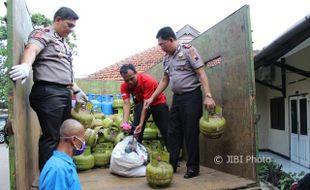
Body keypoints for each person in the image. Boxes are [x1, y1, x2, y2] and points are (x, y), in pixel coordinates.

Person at [9, 7, 87, 171]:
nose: (71, 30)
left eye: (73, 26)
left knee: (62, 136)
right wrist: (25, 65)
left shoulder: (63, 43)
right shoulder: (45, 33)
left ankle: (59, 171)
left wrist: (77, 90)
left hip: (62, 93)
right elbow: (32, 48)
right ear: (58, 20)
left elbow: (63, 73)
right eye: (69, 25)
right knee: (51, 137)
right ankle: (47, 179)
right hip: (48, 92)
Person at [144, 26, 216, 179]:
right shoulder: (166, 59)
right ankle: (173, 163)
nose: (160, 47)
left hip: (192, 96)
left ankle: (193, 168)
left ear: (171, 40)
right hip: (177, 98)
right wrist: (152, 97)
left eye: (162, 44)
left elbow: (201, 72)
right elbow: (164, 80)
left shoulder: (188, 50)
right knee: (172, 131)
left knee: (190, 132)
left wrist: (208, 95)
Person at [119, 63, 169, 145]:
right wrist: (125, 122)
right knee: (135, 129)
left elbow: (146, 106)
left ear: (136, 73)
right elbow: (126, 104)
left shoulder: (147, 80)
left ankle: (173, 154)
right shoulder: (124, 86)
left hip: (158, 102)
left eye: (131, 79)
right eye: (126, 80)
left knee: (165, 129)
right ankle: (135, 152)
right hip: (142, 103)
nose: (130, 82)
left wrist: (141, 124)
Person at [39, 119, 85, 190]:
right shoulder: (58, 169)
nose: (83, 143)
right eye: (83, 139)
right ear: (74, 140)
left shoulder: (65, 163)